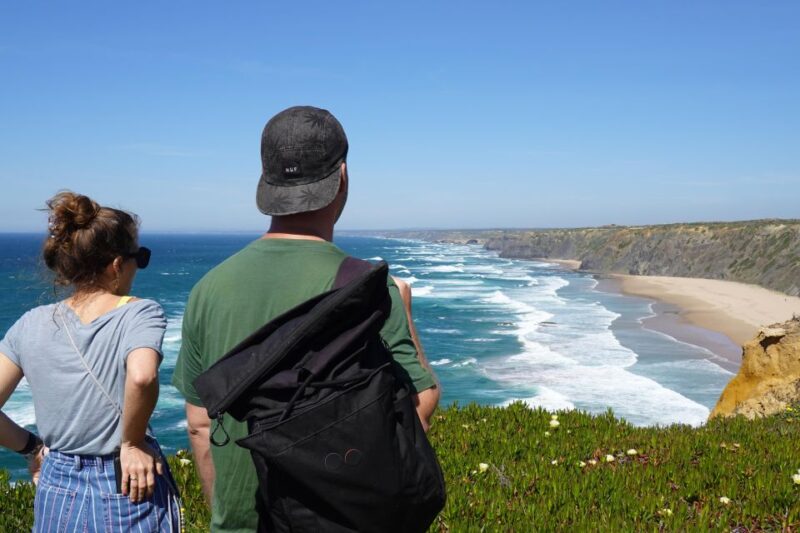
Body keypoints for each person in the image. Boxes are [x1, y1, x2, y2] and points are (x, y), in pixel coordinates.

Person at [172, 105, 440, 532]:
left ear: (266, 183)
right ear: (343, 177)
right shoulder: (370, 290)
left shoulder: (208, 290)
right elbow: (416, 412)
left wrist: (226, 518)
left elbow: (200, 424)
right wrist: (403, 315)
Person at [0, 191, 181, 532]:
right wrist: (133, 442)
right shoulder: (139, 312)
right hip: (125, 481)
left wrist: (30, 448)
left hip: (56, 482)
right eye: (138, 257)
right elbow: (142, 377)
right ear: (116, 264)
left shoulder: (31, 322)